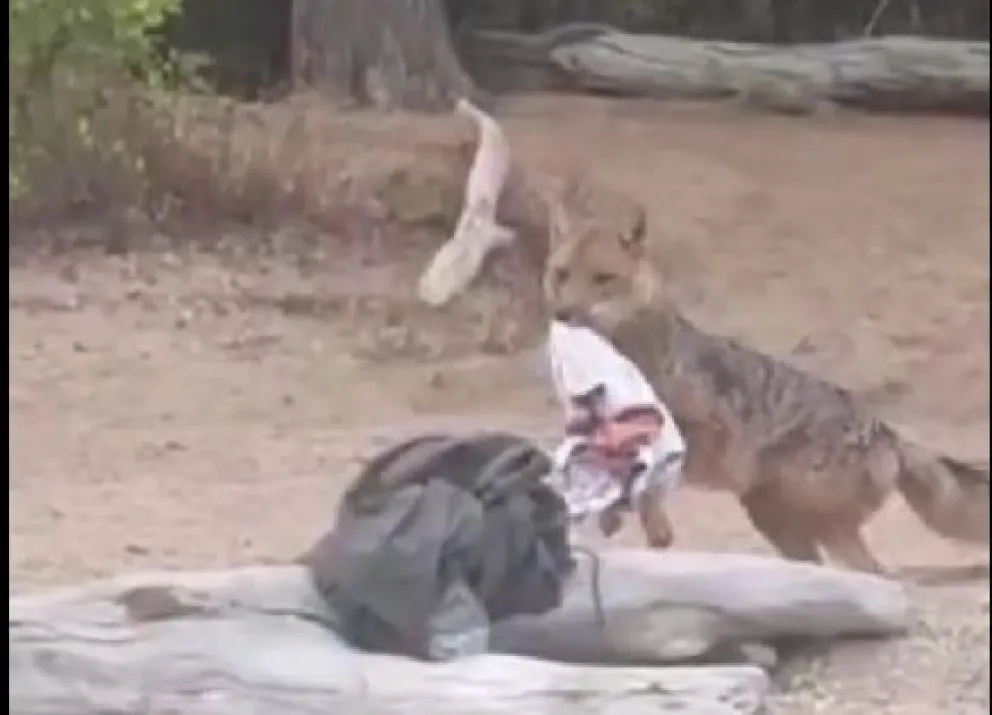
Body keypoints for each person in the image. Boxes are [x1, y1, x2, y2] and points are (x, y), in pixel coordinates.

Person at [546, 319, 686, 541]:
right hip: (652, 443)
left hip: (630, 437)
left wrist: (580, 431)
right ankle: (617, 505)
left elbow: (588, 395)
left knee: (569, 488)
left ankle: (613, 507)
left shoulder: (570, 345)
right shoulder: (579, 343)